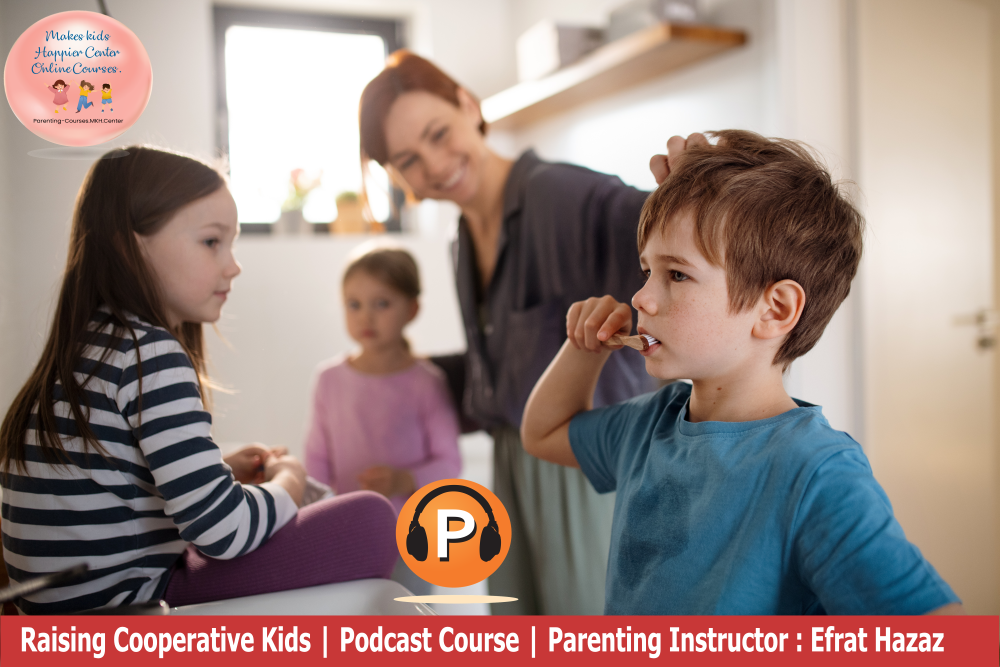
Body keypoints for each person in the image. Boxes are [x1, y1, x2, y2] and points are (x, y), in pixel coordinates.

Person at [520, 130, 963, 615]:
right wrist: (584, 348)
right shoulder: (646, 427)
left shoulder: (815, 473)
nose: (641, 297)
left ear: (774, 310)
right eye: (647, 271)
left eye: (677, 274)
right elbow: (543, 433)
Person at [0, 146, 397, 614]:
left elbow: (116, 493)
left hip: (52, 617)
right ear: (130, 247)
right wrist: (289, 481)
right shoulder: (149, 353)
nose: (233, 265)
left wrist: (218, 468)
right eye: (211, 242)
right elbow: (224, 531)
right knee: (372, 518)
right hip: (132, 609)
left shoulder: (83, 352)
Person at [359, 50, 665, 614]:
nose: (435, 165)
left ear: (467, 105)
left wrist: (701, 186)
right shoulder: (460, 241)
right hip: (511, 464)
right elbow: (504, 366)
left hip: (585, 468)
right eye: (409, 159)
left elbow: (674, 227)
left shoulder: (562, 196)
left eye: (438, 134)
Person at [304, 243, 462, 594]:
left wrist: (403, 480)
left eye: (381, 303)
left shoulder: (426, 382)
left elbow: (450, 462)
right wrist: (320, 517)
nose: (366, 317)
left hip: (412, 535)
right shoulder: (328, 379)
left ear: (412, 309)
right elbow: (316, 460)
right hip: (346, 532)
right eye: (354, 304)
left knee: (408, 615)